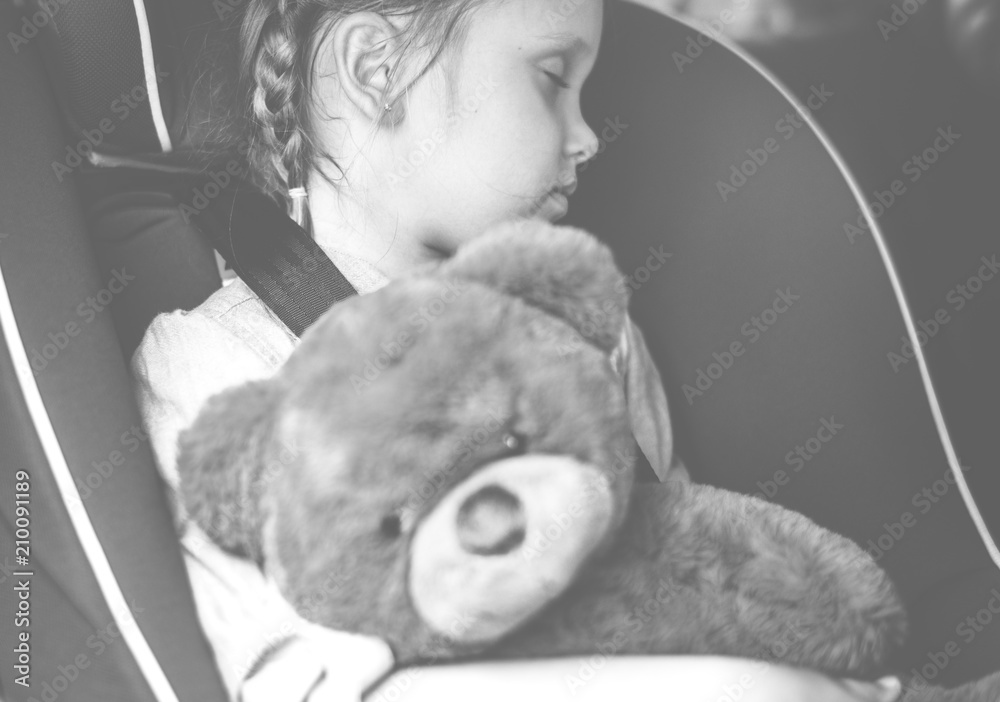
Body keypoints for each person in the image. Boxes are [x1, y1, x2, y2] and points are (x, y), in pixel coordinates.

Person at [130, 0, 902, 700]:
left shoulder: (579, 321)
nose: (588, 137)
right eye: (552, 77)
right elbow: (303, 688)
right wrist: (741, 690)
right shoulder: (215, 368)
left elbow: (676, 561)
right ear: (376, 70)